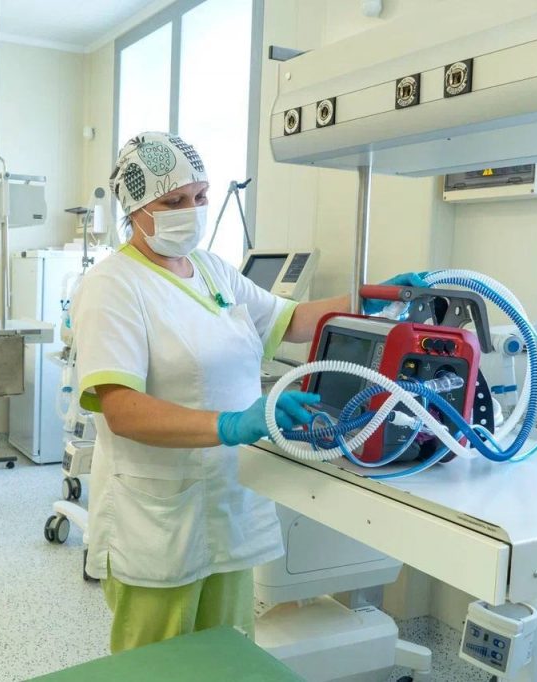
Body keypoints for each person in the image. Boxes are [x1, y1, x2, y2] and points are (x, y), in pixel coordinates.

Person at [70, 131, 360, 653]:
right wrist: (231, 424)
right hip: (156, 519)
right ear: (135, 209)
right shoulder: (113, 284)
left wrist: (370, 297)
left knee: (227, 653)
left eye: (200, 196)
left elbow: (292, 320)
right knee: (158, 666)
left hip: (228, 504)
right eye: (173, 201)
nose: (192, 210)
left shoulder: (211, 270)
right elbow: (123, 410)